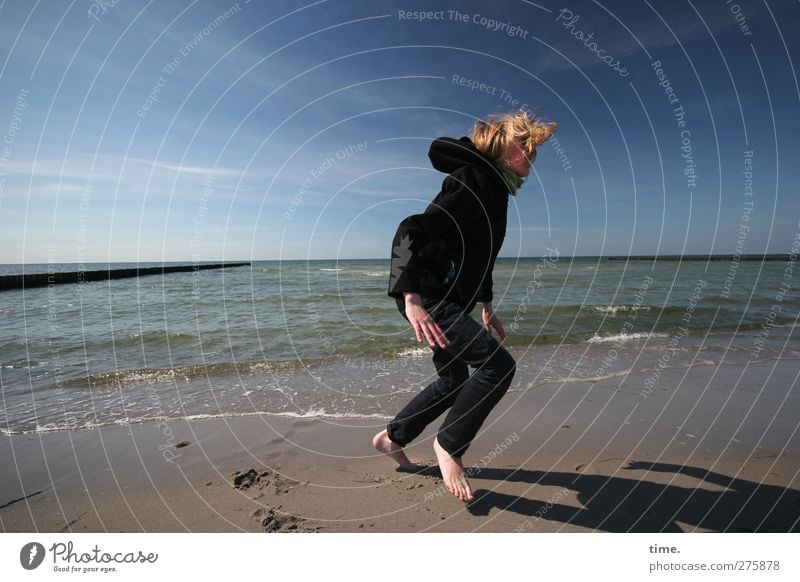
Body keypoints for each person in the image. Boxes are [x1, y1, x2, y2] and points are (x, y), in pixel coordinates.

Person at [373, 110, 557, 502]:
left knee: (453, 379)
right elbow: (411, 229)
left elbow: (481, 255)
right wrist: (410, 297)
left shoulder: (496, 191)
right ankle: (449, 444)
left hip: (448, 299)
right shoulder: (474, 182)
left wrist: (486, 303)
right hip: (429, 298)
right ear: (507, 149)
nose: (532, 159)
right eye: (527, 150)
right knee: (497, 366)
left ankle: (392, 438)